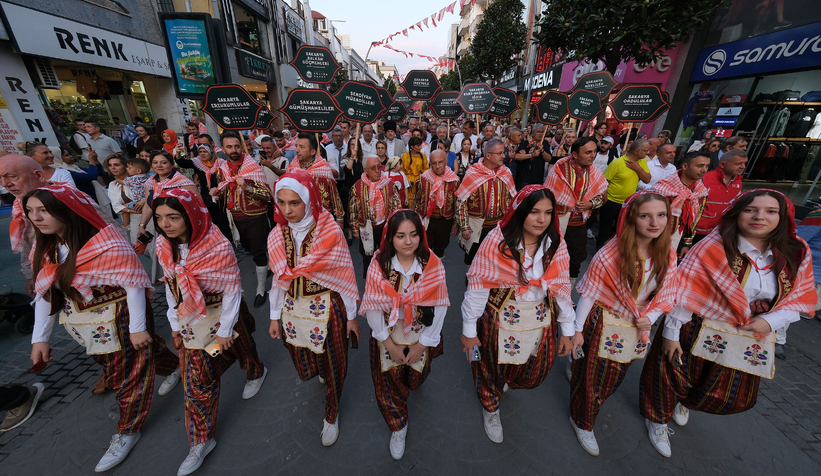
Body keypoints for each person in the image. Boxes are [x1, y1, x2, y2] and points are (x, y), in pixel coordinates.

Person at [639, 189, 815, 458]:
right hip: (696, 325)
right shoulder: (714, 246)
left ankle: (686, 403)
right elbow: (684, 291)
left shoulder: (796, 252)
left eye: (771, 211)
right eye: (751, 210)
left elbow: (800, 299)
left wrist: (769, 322)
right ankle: (658, 420)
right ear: (737, 213)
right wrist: (671, 333)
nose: (760, 217)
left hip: (748, 335)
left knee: (719, 389)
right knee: (670, 376)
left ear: (783, 217)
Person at [26, 185, 179, 472]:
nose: (36, 217)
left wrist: (136, 327)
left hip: (118, 313)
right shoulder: (44, 248)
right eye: (31, 211)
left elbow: (132, 281)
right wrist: (39, 339)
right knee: (134, 354)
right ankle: (174, 366)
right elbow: (47, 292)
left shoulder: (106, 242)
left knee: (124, 372)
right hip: (83, 322)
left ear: (67, 210)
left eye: (43, 210)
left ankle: (127, 430)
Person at [153, 188, 266, 475]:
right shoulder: (163, 246)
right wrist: (176, 324)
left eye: (173, 217)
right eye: (159, 218)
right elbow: (172, 287)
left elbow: (230, 288)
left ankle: (255, 371)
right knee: (197, 378)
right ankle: (201, 440)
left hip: (223, 314)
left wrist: (226, 329)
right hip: (191, 320)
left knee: (239, 347)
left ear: (190, 216)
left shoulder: (216, 244)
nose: (165, 224)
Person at [460, 185, 575, 443]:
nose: (542, 219)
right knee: (489, 367)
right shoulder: (497, 242)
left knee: (534, 371)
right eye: (534, 211)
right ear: (521, 211)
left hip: (539, 319)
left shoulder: (555, 244)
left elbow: (561, 287)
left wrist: (568, 329)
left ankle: (505, 381)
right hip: (499, 317)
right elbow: (477, 287)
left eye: (547, 212)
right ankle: (490, 406)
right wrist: (469, 331)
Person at [568, 191, 677, 456]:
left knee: (613, 375)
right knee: (597, 378)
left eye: (661, 215)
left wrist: (649, 318)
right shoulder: (611, 253)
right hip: (604, 319)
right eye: (645, 216)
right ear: (631, 219)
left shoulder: (668, 254)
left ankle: (578, 377)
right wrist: (577, 329)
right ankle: (582, 420)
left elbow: (667, 294)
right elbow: (590, 292)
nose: (655, 223)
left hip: (635, 325)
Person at [267, 171, 361, 447]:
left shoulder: (328, 231)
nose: (288, 210)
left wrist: (352, 317)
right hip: (293, 308)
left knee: (335, 363)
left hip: (328, 308)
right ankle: (320, 369)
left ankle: (331, 413)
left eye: (294, 203)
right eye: (282, 202)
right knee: (300, 351)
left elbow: (344, 275)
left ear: (308, 200)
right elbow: (280, 279)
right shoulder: (277, 234)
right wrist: (275, 317)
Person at [360, 210, 449, 460]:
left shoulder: (433, 265)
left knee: (415, 376)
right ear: (390, 238)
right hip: (387, 334)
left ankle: (412, 382)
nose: (408, 242)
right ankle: (398, 425)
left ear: (421, 236)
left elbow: (441, 305)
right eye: (400, 236)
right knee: (389, 384)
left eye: (413, 235)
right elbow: (374, 308)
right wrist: (388, 344)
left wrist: (423, 345)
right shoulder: (379, 266)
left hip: (421, 334)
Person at [208, 132, 273, 308]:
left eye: (237, 146)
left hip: (255, 216)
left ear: (242, 146)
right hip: (235, 217)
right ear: (223, 149)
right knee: (248, 248)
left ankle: (260, 290)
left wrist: (247, 187)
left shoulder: (253, 167)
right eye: (229, 147)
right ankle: (267, 264)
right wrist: (217, 192)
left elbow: (268, 195)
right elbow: (225, 191)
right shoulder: (223, 169)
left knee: (258, 252)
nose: (234, 150)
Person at [544, 137, 607, 282]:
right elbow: (548, 194)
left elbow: (601, 197)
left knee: (576, 257)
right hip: (557, 221)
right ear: (575, 155)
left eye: (594, 152)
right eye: (588, 152)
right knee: (550, 253)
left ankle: (567, 290)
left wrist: (590, 204)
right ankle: (547, 286)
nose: (593, 155)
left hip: (578, 224)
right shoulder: (559, 169)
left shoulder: (595, 173)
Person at [456, 138, 516, 266]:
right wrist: (464, 226)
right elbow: (461, 201)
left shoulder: (506, 173)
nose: (503, 156)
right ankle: (471, 283)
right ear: (488, 155)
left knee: (494, 260)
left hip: (499, 226)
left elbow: (512, 201)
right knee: (472, 259)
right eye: (499, 153)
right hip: (476, 226)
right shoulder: (473, 173)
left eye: (503, 152)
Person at [651, 151, 710, 257]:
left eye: (707, 166)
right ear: (685, 166)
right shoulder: (663, 188)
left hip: (677, 239)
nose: (704, 170)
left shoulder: (700, 192)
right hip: (654, 237)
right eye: (700, 166)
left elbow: (694, 220)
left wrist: (686, 244)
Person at [349, 155, 401, 274]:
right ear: (365, 170)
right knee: (367, 256)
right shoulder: (357, 186)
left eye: (379, 167)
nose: (377, 171)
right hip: (366, 226)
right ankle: (370, 280)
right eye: (373, 168)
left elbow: (397, 207)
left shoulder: (389, 184)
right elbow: (353, 209)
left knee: (387, 255)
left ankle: (385, 280)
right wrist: (355, 229)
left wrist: (396, 227)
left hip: (385, 225)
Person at [597, 139, 652, 249]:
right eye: (646, 150)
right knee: (605, 230)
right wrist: (605, 198)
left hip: (628, 203)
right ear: (636, 151)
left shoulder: (642, 162)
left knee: (619, 230)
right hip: (611, 202)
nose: (648, 153)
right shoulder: (617, 163)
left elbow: (647, 179)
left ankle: (611, 251)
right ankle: (599, 253)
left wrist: (638, 169)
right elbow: (603, 182)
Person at [137, 151, 197, 247]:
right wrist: (142, 226)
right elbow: (148, 207)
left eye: (164, 162)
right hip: (161, 225)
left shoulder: (183, 182)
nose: (159, 165)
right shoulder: (151, 182)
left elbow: (198, 206)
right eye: (155, 162)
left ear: (172, 164)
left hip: (181, 228)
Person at [286, 133, 345, 227]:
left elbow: (334, 195)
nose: (297, 150)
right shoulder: (292, 168)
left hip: (321, 219)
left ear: (313, 151)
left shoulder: (323, 169)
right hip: (298, 219)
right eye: (296, 146)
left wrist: (340, 219)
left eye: (302, 147)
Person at [694, 150, 747, 243]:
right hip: (697, 231)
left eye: (744, 163)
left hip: (718, 231)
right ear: (723, 164)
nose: (743, 167)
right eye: (738, 163)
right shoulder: (704, 179)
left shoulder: (738, 182)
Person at [414, 149, 459, 257]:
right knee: (425, 248)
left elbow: (457, 204)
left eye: (440, 162)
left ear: (446, 161)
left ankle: (438, 270)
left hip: (445, 220)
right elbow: (416, 201)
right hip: (427, 219)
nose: (437, 166)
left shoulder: (454, 180)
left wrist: (456, 223)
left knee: (441, 247)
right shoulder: (423, 179)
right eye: (434, 163)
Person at [401, 136, 429, 208]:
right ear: (412, 146)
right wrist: (407, 181)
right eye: (418, 146)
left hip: (419, 182)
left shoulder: (422, 156)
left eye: (420, 145)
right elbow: (402, 171)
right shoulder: (405, 156)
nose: (420, 147)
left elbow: (426, 169)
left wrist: (421, 179)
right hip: (409, 182)